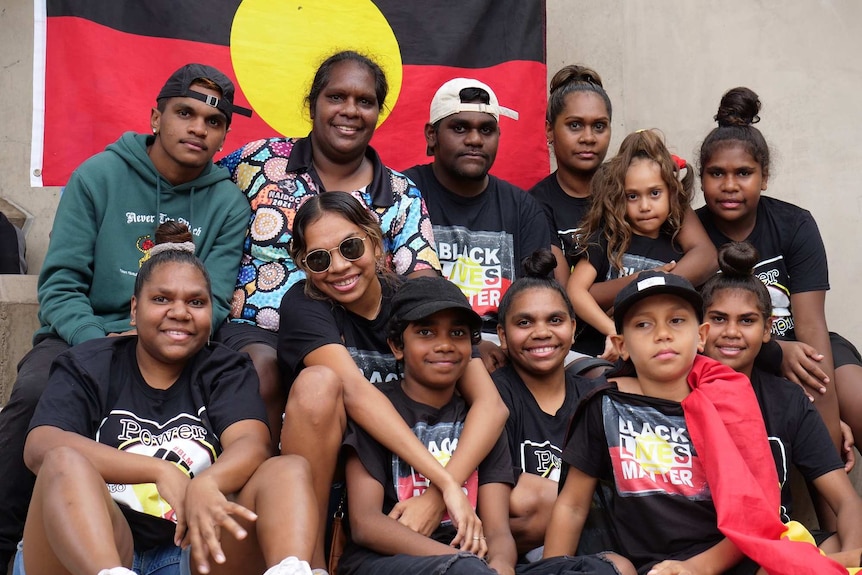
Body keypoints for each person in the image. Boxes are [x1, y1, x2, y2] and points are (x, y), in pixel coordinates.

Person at [0, 63, 251, 569]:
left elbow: (216, 299)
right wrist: (101, 346)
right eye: (185, 113)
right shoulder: (99, 175)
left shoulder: (227, 202)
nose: (198, 128)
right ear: (156, 116)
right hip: (86, 333)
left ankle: (209, 533)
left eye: (213, 121)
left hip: (179, 337)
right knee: (34, 391)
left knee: (249, 374)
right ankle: (7, 544)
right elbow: (62, 284)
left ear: (224, 134)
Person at [16, 223, 316, 575]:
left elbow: (251, 444)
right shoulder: (88, 363)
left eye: (196, 302)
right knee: (63, 461)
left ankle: (291, 570)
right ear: (134, 309)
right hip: (90, 550)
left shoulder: (225, 368)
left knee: (288, 468)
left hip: (192, 549)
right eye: (161, 299)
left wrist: (207, 483)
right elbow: (40, 446)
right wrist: (159, 471)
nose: (180, 312)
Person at [544, 270, 859, 574]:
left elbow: (753, 517)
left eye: (677, 320)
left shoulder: (731, 403)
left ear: (699, 335)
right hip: (657, 565)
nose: (662, 333)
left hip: (740, 555)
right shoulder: (604, 405)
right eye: (643, 324)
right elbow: (571, 506)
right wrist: (554, 570)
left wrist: (698, 567)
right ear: (621, 345)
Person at [215, 50, 441, 446]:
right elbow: (195, 195)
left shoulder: (401, 194)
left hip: (361, 342)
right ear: (312, 103)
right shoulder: (257, 161)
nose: (350, 110)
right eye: (336, 97)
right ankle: (257, 483)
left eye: (364, 101)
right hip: (258, 331)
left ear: (378, 112)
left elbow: (421, 281)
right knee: (262, 368)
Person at [339, 275, 629, 575]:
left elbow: (499, 532)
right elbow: (365, 525)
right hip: (387, 562)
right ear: (397, 346)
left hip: (476, 564)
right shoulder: (380, 411)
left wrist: (501, 566)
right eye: (426, 332)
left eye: (457, 333)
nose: (444, 345)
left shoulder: (480, 420)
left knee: (606, 570)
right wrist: (470, 564)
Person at [278, 192, 506, 571]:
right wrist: (446, 484)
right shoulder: (304, 303)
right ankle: (310, 564)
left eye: (350, 248)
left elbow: (490, 404)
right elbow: (355, 392)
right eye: (319, 258)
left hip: (410, 467)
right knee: (317, 384)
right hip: (337, 462)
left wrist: (438, 492)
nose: (338, 267)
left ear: (375, 239)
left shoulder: (415, 298)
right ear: (303, 266)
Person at [695, 86, 861, 456]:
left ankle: (837, 502)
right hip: (739, 348)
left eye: (744, 173)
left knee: (853, 397)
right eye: (716, 173)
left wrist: (830, 428)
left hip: (806, 343)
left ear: (764, 176)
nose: (730, 185)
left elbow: (812, 326)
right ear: (701, 177)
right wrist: (774, 352)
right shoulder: (690, 233)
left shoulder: (794, 224)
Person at [701, 241, 862, 555]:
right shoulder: (680, 391)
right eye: (719, 319)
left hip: (779, 540)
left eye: (747, 320)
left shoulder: (787, 399)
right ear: (700, 328)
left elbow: (846, 501)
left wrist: (851, 557)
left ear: (767, 330)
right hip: (707, 548)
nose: (731, 331)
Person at [404, 78, 551, 372]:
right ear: (432, 135)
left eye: (486, 130)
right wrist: (469, 343)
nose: (474, 139)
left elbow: (539, 302)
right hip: (424, 346)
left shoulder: (523, 208)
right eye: (460, 128)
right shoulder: (403, 194)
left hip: (508, 352)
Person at [529, 65, 716, 288]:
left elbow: (705, 256)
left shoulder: (637, 179)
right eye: (575, 125)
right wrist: (637, 288)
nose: (588, 137)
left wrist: (647, 291)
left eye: (599, 126)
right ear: (549, 130)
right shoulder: (536, 204)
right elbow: (567, 294)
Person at [492, 249, 597, 557]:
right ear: (502, 335)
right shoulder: (493, 395)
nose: (541, 333)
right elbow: (507, 503)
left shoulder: (592, 396)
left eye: (555, 320)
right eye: (524, 322)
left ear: (574, 329)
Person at [566, 130, 697, 359]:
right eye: (632, 196)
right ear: (618, 197)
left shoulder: (676, 249)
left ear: (671, 193)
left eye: (654, 193)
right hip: (596, 355)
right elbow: (575, 292)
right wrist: (614, 333)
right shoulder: (607, 238)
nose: (645, 206)